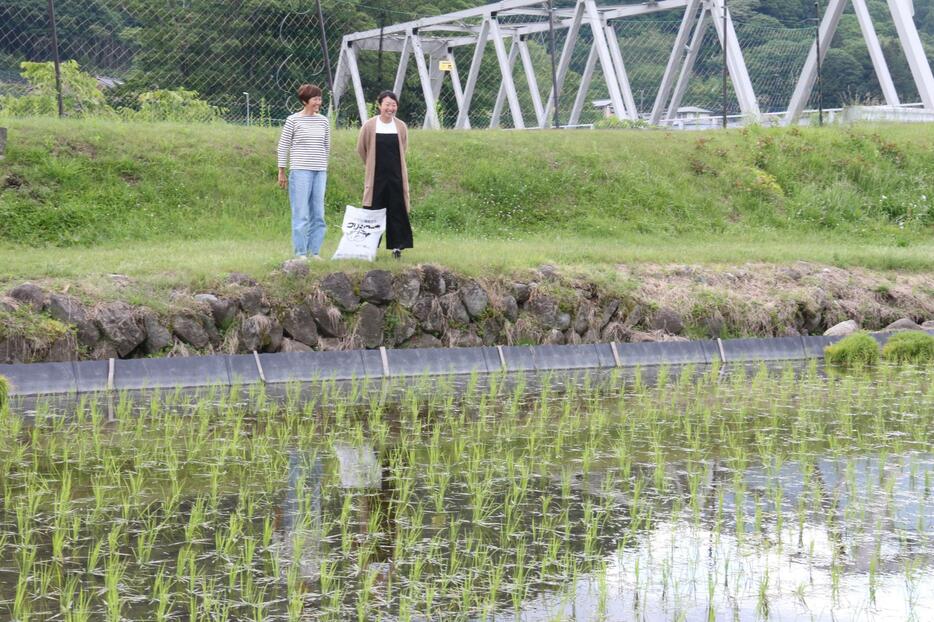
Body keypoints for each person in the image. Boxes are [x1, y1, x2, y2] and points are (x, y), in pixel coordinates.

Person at [356, 90, 413, 259]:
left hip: (396, 176)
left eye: (394, 105)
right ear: (380, 105)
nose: (391, 108)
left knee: (397, 209)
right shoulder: (369, 125)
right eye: (387, 104)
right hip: (376, 177)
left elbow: (403, 147)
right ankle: (369, 248)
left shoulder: (401, 126)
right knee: (373, 210)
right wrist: (371, 165)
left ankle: (397, 247)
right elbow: (361, 148)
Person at [277, 84, 330, 260]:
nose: (318, 102)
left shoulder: (323, 120)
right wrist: (281, 171)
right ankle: (300, 253)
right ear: (305, 101)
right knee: (301, 213)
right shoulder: (293, 120)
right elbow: (283, 146)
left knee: (318, 213)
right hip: (300, 171)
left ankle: (314, 251)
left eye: (319, 99)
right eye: (315, 99)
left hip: (319, 171)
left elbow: (326, 146)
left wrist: (323, 166)